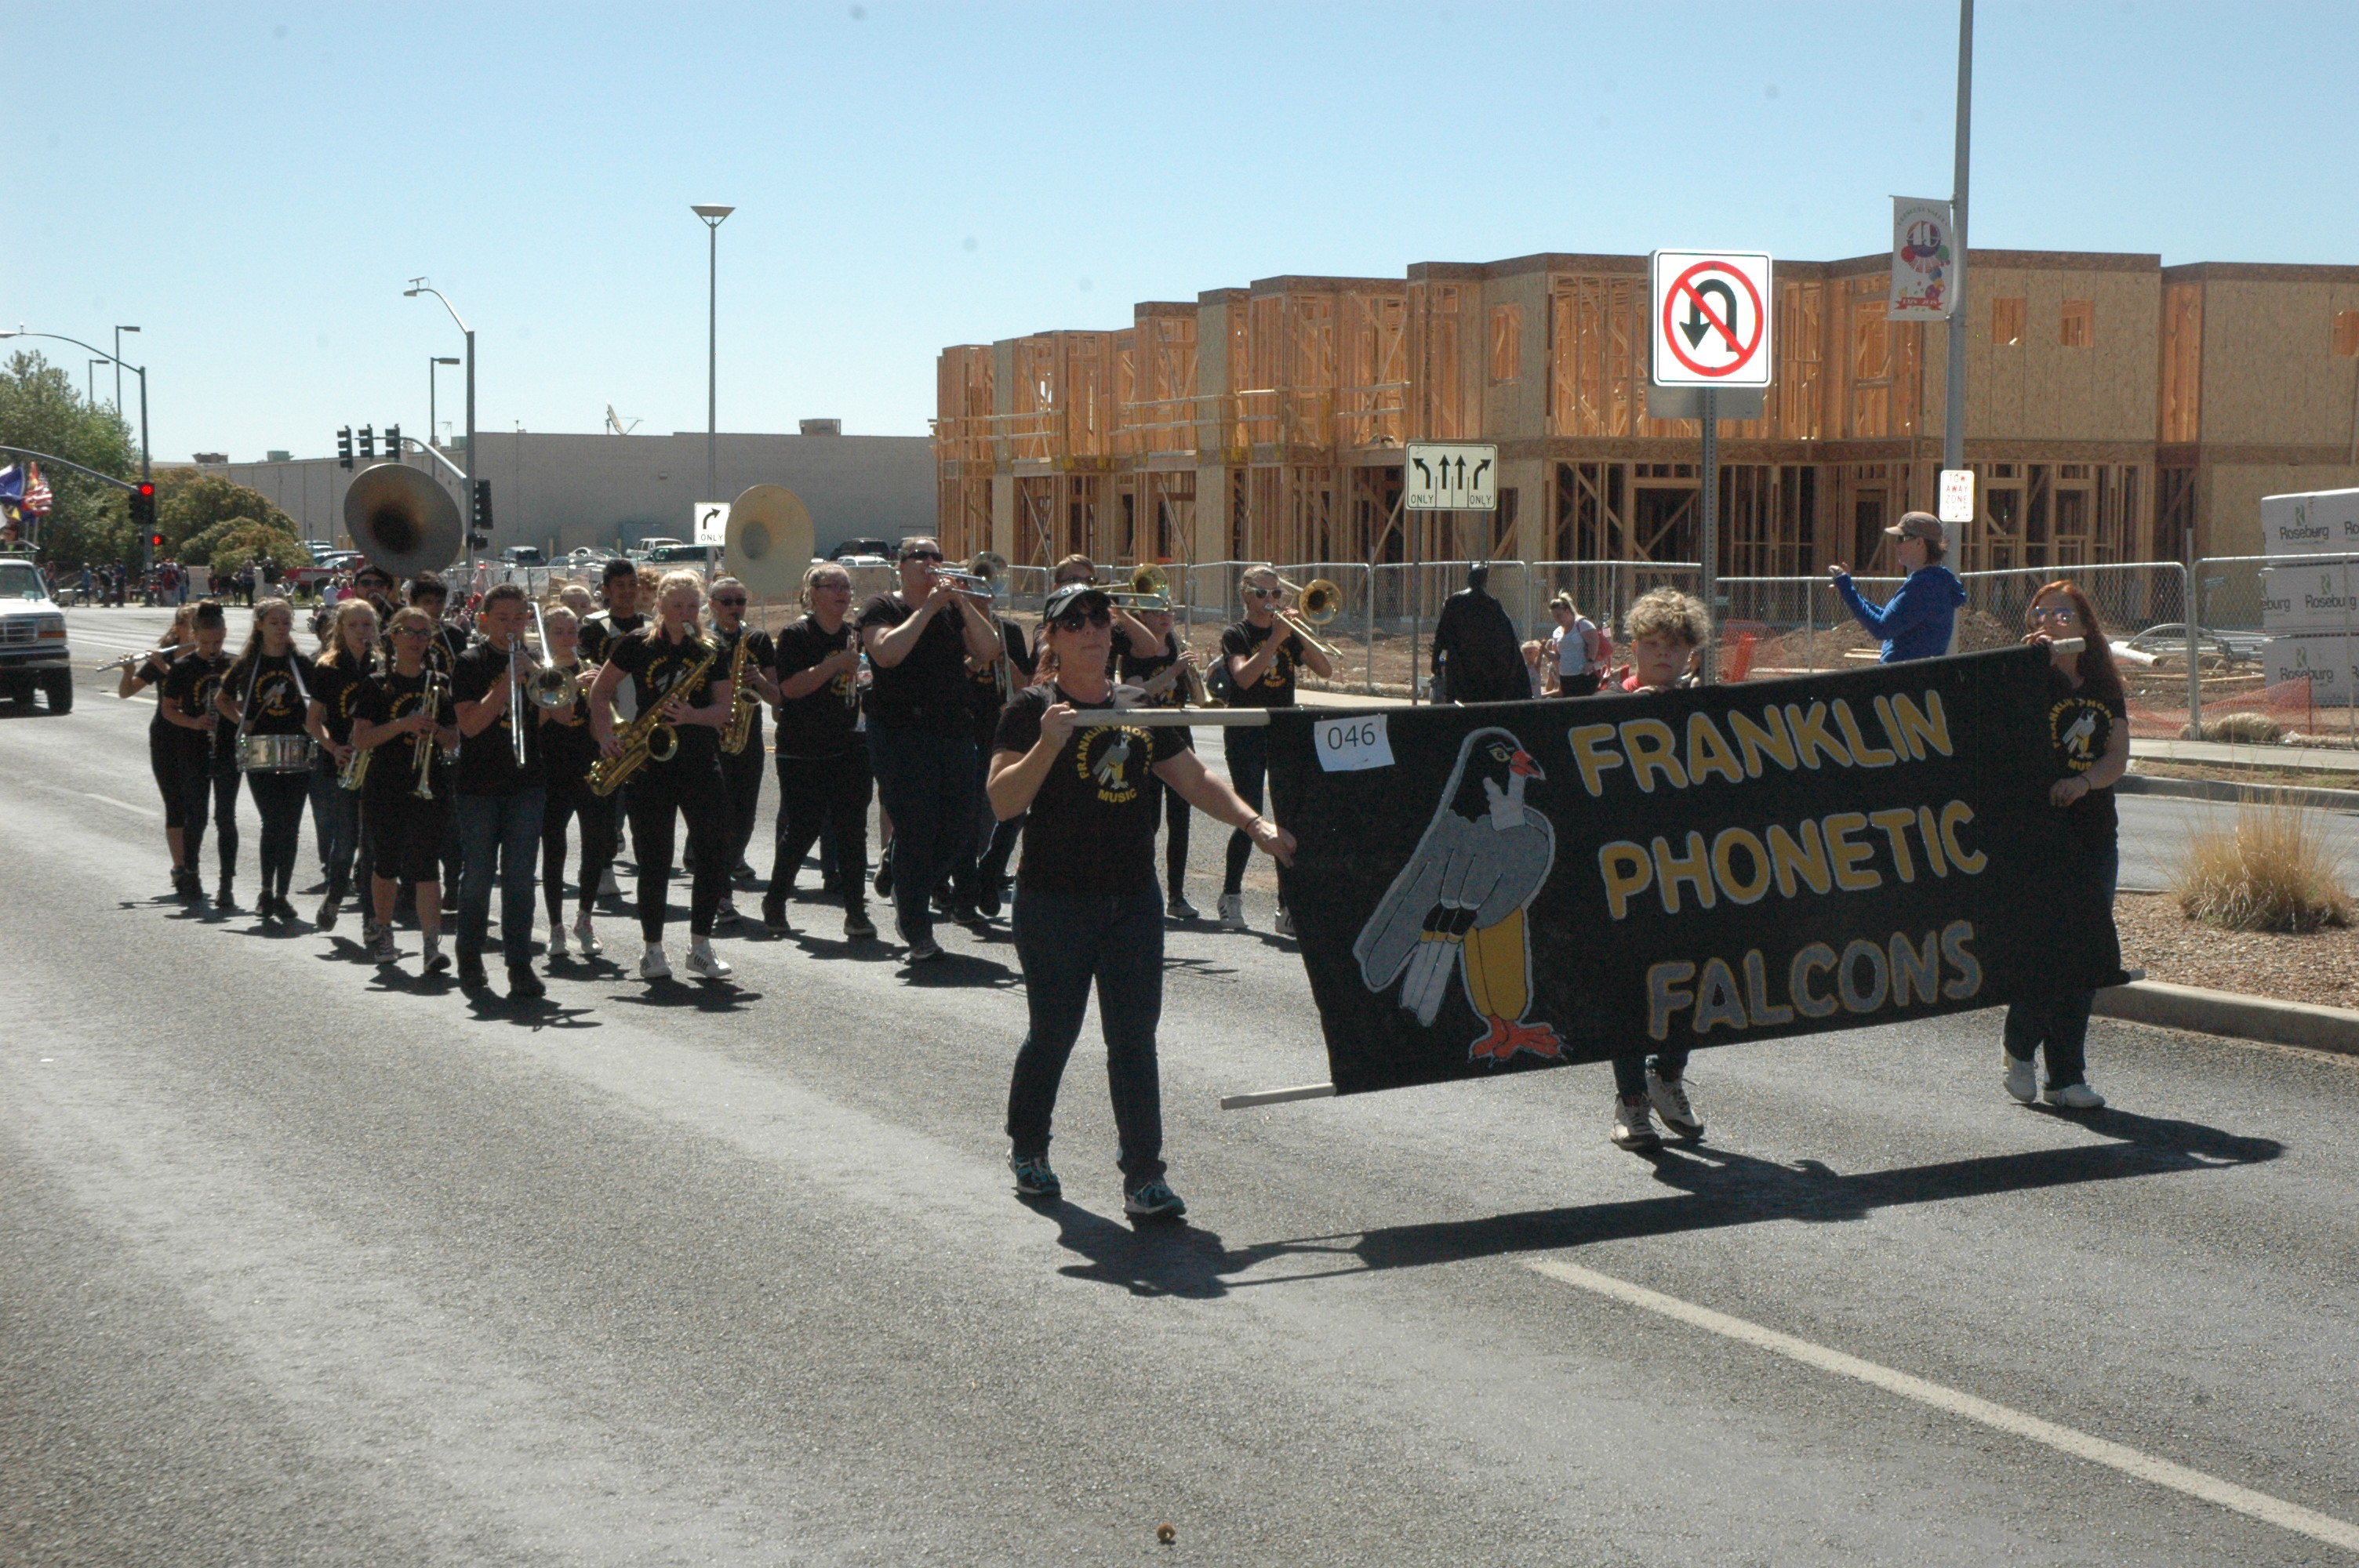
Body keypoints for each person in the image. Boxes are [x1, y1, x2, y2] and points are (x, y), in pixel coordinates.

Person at [990, 583, 1299, 1218]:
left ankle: (1144, 1176)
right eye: (1073, 622)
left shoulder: (1137, 704)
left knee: (1134, 1040)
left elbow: (1194, 778)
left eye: (1100, 619)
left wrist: (1254, 824)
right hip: (1054, 900)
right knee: (1054, 1033)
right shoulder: (1030, 708)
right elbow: (1003, 801)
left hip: (1132, 900)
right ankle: (1029, 1148)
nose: (1092, 630)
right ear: (1051, 637)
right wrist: (1049, 742)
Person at [2004, 580, 2128, 1112]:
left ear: (2083, 623)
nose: (2051, 619)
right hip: (2037, 834)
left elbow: (2116, 757)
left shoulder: (2102, 682)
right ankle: (2018, 1048)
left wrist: (2084, 783)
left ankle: (2066, 1076)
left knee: (2086, 957)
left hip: (2094, 834)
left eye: (2063, 612)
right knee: (2044, 949)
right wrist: (2034, 666)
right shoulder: (2027, 672)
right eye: (2041, 611)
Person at [856, 535, 1004, 960]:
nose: (932, 562)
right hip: (900, 731)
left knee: (960, 831)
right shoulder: (882, 607)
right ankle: (917, 927)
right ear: (901, 565)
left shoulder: (952, 610)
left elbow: (989, 649)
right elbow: (886, 654)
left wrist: (961, 604)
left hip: (954, 730)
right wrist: (929, 607)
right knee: (919, 827)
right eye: (921, 556)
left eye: (938, 556)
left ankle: (899, 866)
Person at [587, 569, 736, 981]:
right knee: (654, 859)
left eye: (692, 606)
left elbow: (724, 709)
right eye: (676, 606)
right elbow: (600, 692)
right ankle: (653, 949)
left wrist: (693, 715)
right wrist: (606, 737)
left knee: (711, 854)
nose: (685, 613)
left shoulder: (710, 646)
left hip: (700, 761)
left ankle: (700, 947)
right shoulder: (636, 644)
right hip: (650, 763)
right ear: (660, 607)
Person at [1605, 587, 1713, 1152]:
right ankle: (1630, 1101)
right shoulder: (1604, 704)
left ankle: (1667, 1079)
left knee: (1692, 986)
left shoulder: (1711, 710)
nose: (1663, 655)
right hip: (1627, 880)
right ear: (1634, 648)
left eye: (1674, 646)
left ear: (1691, 653)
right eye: (1652, 645)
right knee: (1628, 993)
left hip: (1693, 874)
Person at [1216, 564, 1333, 934]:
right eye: (1264, 593)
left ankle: (1287, 906)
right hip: (1245, 729)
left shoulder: (1288, 633)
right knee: (1249, 813)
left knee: (1287, 818)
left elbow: (1326, 670)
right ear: (1247, 595)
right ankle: (1231, 894)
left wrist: (1300, 633)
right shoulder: (1236, 634)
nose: (1272, 600)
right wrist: (1274, 639)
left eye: (1277, 594)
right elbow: (1244, 678)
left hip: (1283, 730)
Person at [448, 583, 551, 998]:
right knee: (477, 877)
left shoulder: (536, 662)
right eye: (503, 619)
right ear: (485, 621)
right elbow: (470, 726)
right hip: (479, 785)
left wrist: (542, 680)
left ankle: (519, 964)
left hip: (527, 783)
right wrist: (507, 680)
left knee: (521, 879)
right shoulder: (469, 662)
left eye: (520, 618)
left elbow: (555, 718)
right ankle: (469, 956)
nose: (513, 627)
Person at [765, 562, 877, 938]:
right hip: (803, 747)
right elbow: (789, 689)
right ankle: (776, 899)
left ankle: (856, 911)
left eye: (846, 587)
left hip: (850, 744)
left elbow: (864, 684)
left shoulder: (854, 635)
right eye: (833, 586)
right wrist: (834, 665)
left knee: (853, 830)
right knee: (803, 828)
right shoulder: (797, 635)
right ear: (813, 593)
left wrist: (861, 673)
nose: (842, 594)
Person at [351, 606, 458, 974]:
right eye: (409, 632)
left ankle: (432, 944)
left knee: (427, 866)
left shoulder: (439, 682)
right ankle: (384, 931)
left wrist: (438, 734)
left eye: (423, 634)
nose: (416, 640)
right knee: (387, 862)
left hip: (429, 785)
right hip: (385, 784)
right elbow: (362, 739)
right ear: (392, 636)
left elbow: (453, 739)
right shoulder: (376, 684)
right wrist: (404, 725)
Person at [215, 597, 318, 924]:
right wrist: (240, 721)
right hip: (260, 750)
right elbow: (222, 700)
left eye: (286, 622)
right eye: (274, 622)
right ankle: (265, 891)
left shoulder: (300, 663)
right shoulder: (248, 664)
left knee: (290, 826)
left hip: (297, 748)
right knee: (272, 821)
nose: (281, 628)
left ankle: (282, 894)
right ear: (260, 625)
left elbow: (319, 703)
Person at [1114, 597, 1204, 920]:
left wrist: (1193, 677)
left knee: (1180, 821)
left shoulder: (1178, 646)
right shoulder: (1134, 652)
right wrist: (1175, 669)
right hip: (1146, 739)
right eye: (1157, 612)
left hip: (1180, 737)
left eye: (1169, 611)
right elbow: (1139, 692)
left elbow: (1194, 696)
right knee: (1148, 820)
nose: (1166, 617)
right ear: (1142, 617)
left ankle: (1177, 895)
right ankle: (1141, 888)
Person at [535, 602, 615, 962]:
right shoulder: (541, 673)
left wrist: (608, 738)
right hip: (552, 768)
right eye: (559, 632)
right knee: (554, 849)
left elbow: (597, 724)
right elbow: (562, 718)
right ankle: (555, 926)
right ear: (547, 636)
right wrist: (572, 684)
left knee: (596, 844)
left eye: (572, 632)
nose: (568, 638)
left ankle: (585, 919)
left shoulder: (590, 671)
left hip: (588, 764)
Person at [705, 575, 779, 920]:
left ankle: (723, 866)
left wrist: (759, 681)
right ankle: (720, 893)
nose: (735, 608)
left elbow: (777, 695)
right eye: (727, 601)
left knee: (745, 816)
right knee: (717, 817)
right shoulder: (702, 638)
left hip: (747, 735)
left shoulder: (758, 639)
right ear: (712, 604)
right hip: (710, 737)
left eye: (741, 601)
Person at [305, 598, 379, 931]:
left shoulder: (382, 665)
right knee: (346, 840)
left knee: (373, 845)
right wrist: (333, 748)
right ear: (341, 629)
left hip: (377, 763)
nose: (362, 632)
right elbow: (313, 720)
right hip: (341, 761)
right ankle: (335, 894)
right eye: (354, 625)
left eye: (367, 625)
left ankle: (371, 918)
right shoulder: (328, 667)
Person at [158, 601, 239, 907]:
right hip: (192, 749)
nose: (213, 649)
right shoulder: (183, 667)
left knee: (226, 818)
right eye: (206, 643)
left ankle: (226, 884)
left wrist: (229, 713)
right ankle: (191, 874)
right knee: (197, 818)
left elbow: (243, 706)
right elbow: (169, 709)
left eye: (218, 642)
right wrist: (194, 722)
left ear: (225, 633)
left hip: (227, 749)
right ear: (195, 636)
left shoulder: (234, 664)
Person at [118, 605, 200, 897]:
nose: (198, 630)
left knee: (197, 807)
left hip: (196, 735)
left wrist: (168, 671)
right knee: (175, 803)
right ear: (179, 628)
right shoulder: (164, 657)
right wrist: (129, 672)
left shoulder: (206, 659)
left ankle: (193, 867)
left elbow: (200, 697)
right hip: (166, 736)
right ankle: (180, 868)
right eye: (193, 625)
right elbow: (127, 692)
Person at [1829, 511, 1966, 662]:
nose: (1896, 544)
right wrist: (1847, 590)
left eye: (1902, 538)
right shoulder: (1930, 581)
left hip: (1904, 679)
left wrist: (1848, 590)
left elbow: (1881, 628)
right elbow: (1888, 619)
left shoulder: (1925, 586)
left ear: (1920, 543)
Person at [1429, 562, 1525, 703]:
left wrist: (1436, 658)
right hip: (1474, 662)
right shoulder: (1486, 603)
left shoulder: (1462, 602)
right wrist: (1436, 658)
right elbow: (1442, 632)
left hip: (1471, 662)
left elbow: (1441, 633)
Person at [1546, 593, 1606, 697]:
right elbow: (1557, 656)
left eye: (1559, 615)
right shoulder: (1557, 632)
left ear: (1568, 611)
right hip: (1566, 676)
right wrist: (1544, 651)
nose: (1557, 619)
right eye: (1554, 616)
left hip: (1585, 674)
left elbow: (1594, 643)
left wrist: (1590, 662)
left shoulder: (1582, 624)